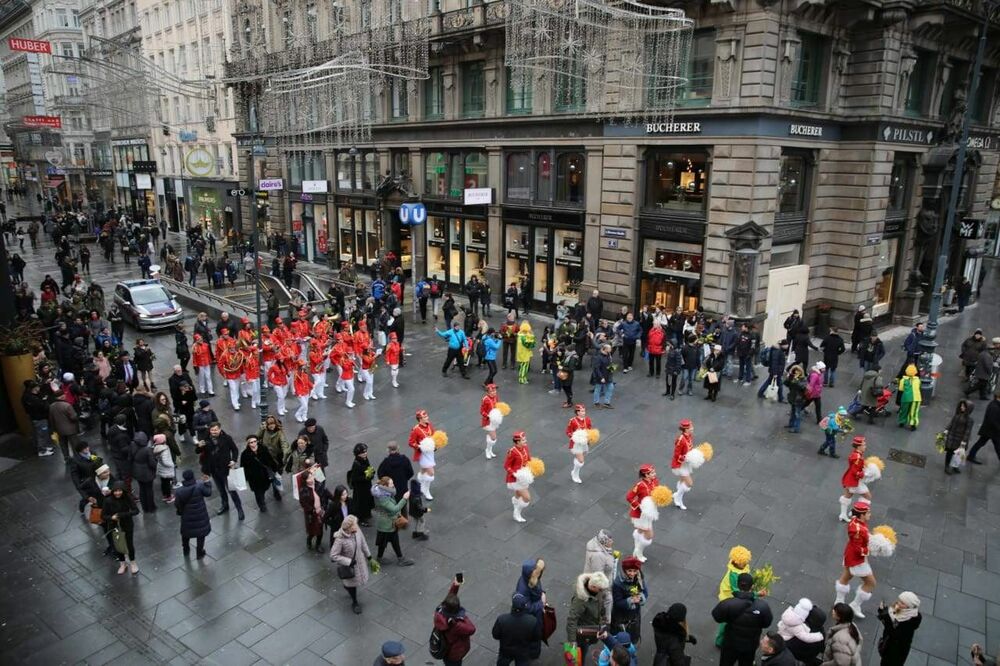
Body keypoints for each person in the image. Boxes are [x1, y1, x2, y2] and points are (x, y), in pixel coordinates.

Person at [710, 573, 773, 666]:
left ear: (738, 585)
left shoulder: (728, 604)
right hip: (750, 644)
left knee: (726, 662)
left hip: (731, 643)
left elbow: (717, 616)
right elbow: (767, 623)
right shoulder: (762, 606)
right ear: (752, 586)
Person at [834, 500, 876, 618]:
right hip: (857, 559)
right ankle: (855, 605)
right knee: (870, 583)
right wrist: (871, 550)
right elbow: (858, 549)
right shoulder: (857, 529)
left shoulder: (856, 521)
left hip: (851, 555)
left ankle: (839, 600)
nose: (870, 515)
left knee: (846, 576)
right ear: (862, 515)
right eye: (868, 513)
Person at [197, 423, 244, 520]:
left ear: (220, 429)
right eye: (212, 430)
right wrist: (199, 446)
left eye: (216, 430)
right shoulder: (205, 440)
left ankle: (239, 509)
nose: (214, 432)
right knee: (221, 490)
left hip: (226, 469)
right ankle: (225, 505)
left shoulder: (227, 438)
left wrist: (234, 460)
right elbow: (198, 452)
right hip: (214, 469)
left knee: (232, 490)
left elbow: (234, 450)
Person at [330, 514, 373, 615]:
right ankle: (354, 602)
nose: (357, 526)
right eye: (355, 524)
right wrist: (348, 561)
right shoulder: (340, 539)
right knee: (352, 585)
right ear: (349, 527)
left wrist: (369, 556)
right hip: (349, 567)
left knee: (355, 582)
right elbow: (333, 555)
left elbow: (363, 543)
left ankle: (348, 588)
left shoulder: (357, 531)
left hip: (360, 562)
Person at [433, 577, 477, 666]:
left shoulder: (439, 612)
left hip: (445, 648)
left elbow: (449, 599)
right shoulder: (457, 625)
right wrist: (462, 616)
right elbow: (472, 629)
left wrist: (455, 585)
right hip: (454, 653)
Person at [372, 476, 414, 566]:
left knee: (389, 541)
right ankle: (399, 559)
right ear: (386, 486)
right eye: (391, 484)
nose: (393, 485)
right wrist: (404, 499)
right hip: (386, 525)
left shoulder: (383, 492)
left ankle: (396, 558)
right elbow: (394, 509)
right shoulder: (383, 498)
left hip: (387, 523)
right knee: (385, 542)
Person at [493, 593, 542, 666]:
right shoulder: (532, 621)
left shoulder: (502, 619)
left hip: (506, 650)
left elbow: (495, 635)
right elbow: (536, 637)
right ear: (525, 606)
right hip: (523, 652)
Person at [102, 481, 140, 574]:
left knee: (129, 545)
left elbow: (136, 511)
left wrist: (121, 515)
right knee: (119, 546)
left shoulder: (127, 498)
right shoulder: (108, 500)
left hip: (127, 525)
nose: (117, 493)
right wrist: (112, 517)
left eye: (119, 491)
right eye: (115, 491)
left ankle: (133, 562)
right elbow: (103, 515)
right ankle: (122, 564)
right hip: (115, 526)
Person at [566, 571, 611, 650]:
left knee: (585, 648)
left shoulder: (597, 591)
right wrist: (572, 641)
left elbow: (601, 607)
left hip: (591, 627)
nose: (602, 591)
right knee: (580, 653)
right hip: (583, 632)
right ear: (593, 587)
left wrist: (604, 623)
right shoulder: (580, 600)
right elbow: (572, 620)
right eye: (600, 589)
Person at [174, 469, 212, 558]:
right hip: (200, 515)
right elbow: (208, 493)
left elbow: (177, 504)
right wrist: (207, 482)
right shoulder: (200, 485)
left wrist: (180, 512)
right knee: (200, 534)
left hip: (187, 517)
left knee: (186, 534)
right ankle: (199, 552)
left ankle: (186, 550)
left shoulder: (179, 491)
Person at [626, 463, 660, 562]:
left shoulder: (655, 481)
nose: (654, 474)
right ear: (646, 475)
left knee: (640, 532)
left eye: (654, 472)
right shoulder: (640, 485)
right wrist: (640, 506)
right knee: (649, 536)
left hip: (650, 512)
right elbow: (629, 497)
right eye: (652, 473)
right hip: (641, 514)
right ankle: (638, 552)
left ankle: (637, 544)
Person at [876, 592, 921, 666]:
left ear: (909, 606)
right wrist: (882, 611)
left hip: (896, 651)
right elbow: (892, 615)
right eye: (899, 600)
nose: (898, 604)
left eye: (902, 603)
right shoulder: (902, 609)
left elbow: (894, 632)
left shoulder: (909, 622)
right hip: (890, 643)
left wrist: (885, 617)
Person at [611, 557, 648, 644]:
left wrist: (641, 597)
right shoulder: (618, 583)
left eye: (635, 571)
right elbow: (617, 602)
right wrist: (631, 600)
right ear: (625, 570)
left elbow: (645, 592)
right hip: (621, 616)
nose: (632, 573)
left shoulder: (639, 578)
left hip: (635, 613)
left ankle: (632, 645)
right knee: (619, 639)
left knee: (633, 636)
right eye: (629, 571)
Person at [240, 434, 279, 513]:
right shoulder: (245, 454)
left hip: (265, 475)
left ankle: (262, 500)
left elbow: (270, 459)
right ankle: (261, 505)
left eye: (255, 441)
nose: (253, 444)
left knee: (264, 489)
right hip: (254, 478)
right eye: (251, 442)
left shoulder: (263, 449)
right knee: (258, 493)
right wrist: (246, 477)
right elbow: (243, 467)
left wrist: (275, 469)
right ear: (248, 443)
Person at [298, 465, 331, 552]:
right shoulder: (303, 490)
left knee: (320, 530)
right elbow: (303, 503)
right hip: (312, 515)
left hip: (320, 511)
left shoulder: (318, 484)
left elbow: (325, 492)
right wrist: (312, 510)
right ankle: (309, 540)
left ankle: (318, 545)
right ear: (305, 481)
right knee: (312, 531)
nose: (311, 479)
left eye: (311, 476)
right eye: (308, 478)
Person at [504, 431, 534, 522]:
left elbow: (529, 459)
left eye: (525, 439)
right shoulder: (512, 452)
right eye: (523, 440)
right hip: (515, 478)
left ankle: (515, 500)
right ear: (517, 442)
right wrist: (515, 474)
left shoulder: (525, 448)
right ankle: (516, 512)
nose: (525, 441)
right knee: (527, 498)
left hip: (525, 476)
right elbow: (506, 466)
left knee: (519, 493)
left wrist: (533, 468)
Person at [408, 409, 437, 500]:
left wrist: (435, 444)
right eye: (425, 417)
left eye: (427, 416)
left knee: (424, 470)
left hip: (430, 453)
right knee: (431, 473)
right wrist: (421, 447)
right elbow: (411, 442)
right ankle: (426, 490)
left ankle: (420, 484)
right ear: (420, 419)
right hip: (422, 454)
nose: (427, 417)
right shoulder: (416, 430)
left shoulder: (429, 426)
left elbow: (434, 436)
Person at [21, 380, 54, 457]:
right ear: (34, 388)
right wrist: (44, 401)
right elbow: (42, 406)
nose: (39, 388)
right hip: (39, 418)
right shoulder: (32, 398)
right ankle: (42, 450)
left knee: (42, 433)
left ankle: (44, 447)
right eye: (37, 386)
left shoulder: (28, 396)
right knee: (41, 434)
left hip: (37, 417)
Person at [968, 391, 1000, 464]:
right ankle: (971, 456)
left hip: (990, 430)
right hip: (991, 431)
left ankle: (971, 455)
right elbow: (993, 420)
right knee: (996, 445)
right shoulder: (994, 407)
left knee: (982, 443)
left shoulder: (995, 404)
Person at [670, 419, 696, 510]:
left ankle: (677, 497)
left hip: (685, 463)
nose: (692, 428)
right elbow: (677, 454)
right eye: (690, 427)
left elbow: (689, 448)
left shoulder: (689, 436)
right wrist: (686, 459)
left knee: (682, 482)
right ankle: (677, 496)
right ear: (685, 429)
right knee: (689, 483)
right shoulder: (681, 439)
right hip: (680, 465)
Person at [347, 443, 375, 524]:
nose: (365, 453)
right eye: (363, 452)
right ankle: (361, 518)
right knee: (361, 503)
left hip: (366, 485)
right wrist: (366, 477)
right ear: (358, 454)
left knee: (367, 500)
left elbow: (368, 467)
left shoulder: (365, 459)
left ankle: (367, 513)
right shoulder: (356, 464)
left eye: (366, 451)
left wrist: (371, 472)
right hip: (360, 488)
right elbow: (356, 478)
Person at [944, 399, 975, 474]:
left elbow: (968, 431)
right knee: (949, 452)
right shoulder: (957, 415)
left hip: (960, 439)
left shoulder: (969, 420)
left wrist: (964, 441)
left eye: (964, 406)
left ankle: (955, 466)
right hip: (952, 437)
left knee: (958, 454)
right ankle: (947, 466)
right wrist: (946, 429)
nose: (962, 407)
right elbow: (951, 423)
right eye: (961, 405)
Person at [130, 432, 158, 513]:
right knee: (149, 490)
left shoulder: (132, 445)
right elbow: (152, 463)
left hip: (137, 471)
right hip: (147, 473)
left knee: (142, 489)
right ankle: (151, 507)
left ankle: (144, 507)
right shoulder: (147, 449)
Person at [566, 403, 593, 483]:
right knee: (581, 461)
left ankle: (574, 471)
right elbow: (568, 432)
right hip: (576, 444)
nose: (583, 413)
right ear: (577, 412)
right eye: (582, 411)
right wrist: (575, 437)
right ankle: (575, 475)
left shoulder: (587, 420)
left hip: (584, 443)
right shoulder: (572, 421)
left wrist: (590, 437)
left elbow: (589, 429)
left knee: (580, 459)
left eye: (584, 411)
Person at [897, 364, 921, 430]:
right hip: (916, 398)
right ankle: (913, 424)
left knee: (904, 410)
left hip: (906, 398)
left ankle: (902, 422)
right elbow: (919, 387)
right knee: (914, 411)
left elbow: (901, 389)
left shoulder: (903, 380)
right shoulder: (917, 380)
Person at [784, 365, 807, 433]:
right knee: (793, 412)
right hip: (793, 398)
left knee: (797, 414)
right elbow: (785, 383)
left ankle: (796, 428)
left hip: (799, 399)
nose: (796, 373)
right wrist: (790, 377)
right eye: (795, 371)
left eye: (798, 371)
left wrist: (797, 381)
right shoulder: (792, 377)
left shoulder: (803, 379)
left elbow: (803, 387)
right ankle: (791, 424)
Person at [481, 383, 501, 460]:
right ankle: (487, 450)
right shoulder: (485, 399)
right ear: (487, 392)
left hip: (494, 421)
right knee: (494, 438)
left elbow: (498, 405)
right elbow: (482, 411)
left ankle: (490, 450)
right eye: (492, 391)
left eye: (495, 390)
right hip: (487, 422)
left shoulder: (496, 397)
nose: (494, 392)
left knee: (492, 437)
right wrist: (489, 416)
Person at [592, 344, 615, 408]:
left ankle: (606, 402)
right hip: (601, 376)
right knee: (598, 389)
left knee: (610, 388)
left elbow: (609, 364)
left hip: (608, 375)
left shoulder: (609, 355)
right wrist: (601, 377)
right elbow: (597, 368)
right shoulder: (598, 357)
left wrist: (612, 368)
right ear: (605, 349)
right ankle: (596, 402)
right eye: (610, 348)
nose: (611, 349)